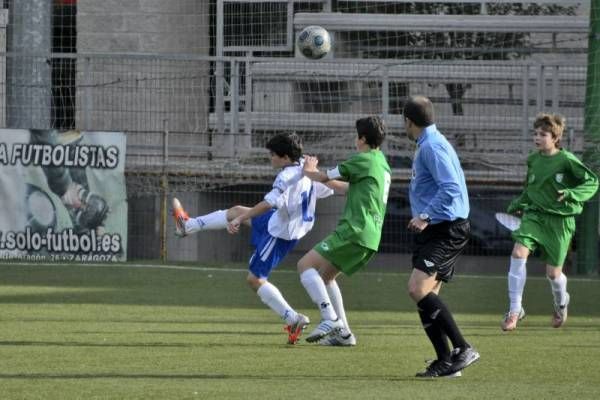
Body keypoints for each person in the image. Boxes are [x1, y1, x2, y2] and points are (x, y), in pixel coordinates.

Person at [171, 132, 345, 344]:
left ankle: (292, 318)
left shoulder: (286, 176)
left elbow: (269, 202)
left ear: (284, 157)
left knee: (255, 279)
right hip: (283, 222)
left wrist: (243, 218)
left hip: (280, 234)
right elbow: (325, 188)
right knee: (235, 210)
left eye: (272, 154)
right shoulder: (306, 168)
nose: (270, 158)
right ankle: (187, 226)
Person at [298, 116, 391, 346]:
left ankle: (330, 318)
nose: (355, 139)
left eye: (356, 135)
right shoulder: (381, 162)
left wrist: (309, 170)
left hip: (354, 230)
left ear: (362, 139)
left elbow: (325, 175)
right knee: (326, 277)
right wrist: (321, 179)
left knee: (304, 265)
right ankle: (345, 334)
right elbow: (349, 188)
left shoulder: (363, 159)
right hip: (370, 236)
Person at [403, 95, 479, 378]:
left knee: (417, 289)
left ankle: (463, 348)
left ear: (408, 121)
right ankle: (445, 362)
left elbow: (450, 188)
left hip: (445, 228)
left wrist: (425, 215)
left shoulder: (432, 147)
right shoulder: (430, 143)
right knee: (427, 295)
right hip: (438, 228)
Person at [501, 113, 598, 331]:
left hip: (560, 222)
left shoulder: (567, 160)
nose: (537, 138)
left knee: (553, 274)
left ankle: (561, 302)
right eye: (535, 134)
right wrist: (518, 202)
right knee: (518, 253)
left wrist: (572, 193)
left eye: (543, 134)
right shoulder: (533, 160)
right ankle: (515, 310)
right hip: (535, 216)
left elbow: (592, 182)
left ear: (555, 138)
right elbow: (532, 190)